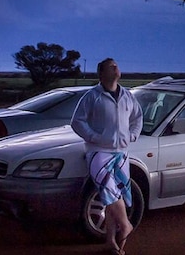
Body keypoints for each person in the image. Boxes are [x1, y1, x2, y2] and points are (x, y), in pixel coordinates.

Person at [71, 58, 143, 255]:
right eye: (111, 66)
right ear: (101, 74)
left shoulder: (128, 96)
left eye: (117, 65)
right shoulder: (91, 96)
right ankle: (126, 224)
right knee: (108, 188)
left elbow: (138, 117)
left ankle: (113, 242)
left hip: (122, 153)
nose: (116, 68)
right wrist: (95, 137)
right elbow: (77, 122)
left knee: (113, 195)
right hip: (98, 153)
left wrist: (133, 135)